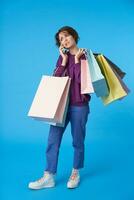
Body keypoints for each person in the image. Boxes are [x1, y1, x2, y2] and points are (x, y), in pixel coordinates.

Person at [28, 26, 91, 189]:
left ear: (74, 36)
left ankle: (76, 172)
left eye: (67, 36)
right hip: (60, 106)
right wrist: (63, 61)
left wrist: (76, 60)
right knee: (52, 140)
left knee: (78, 141)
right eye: (61, 39)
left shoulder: (85, 56)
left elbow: (82, 82)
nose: (64, 40)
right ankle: (48, 176)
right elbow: (55, 80)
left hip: (79, 106)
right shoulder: (62, 57)